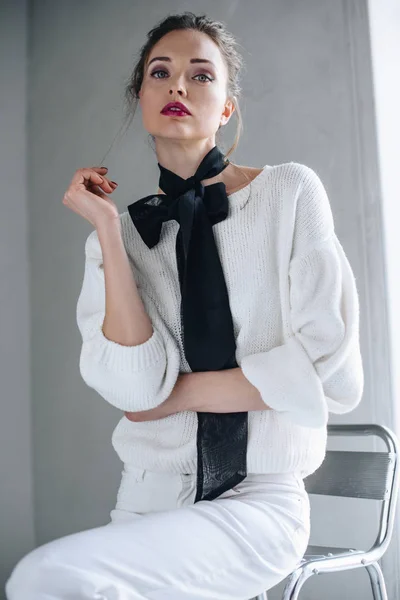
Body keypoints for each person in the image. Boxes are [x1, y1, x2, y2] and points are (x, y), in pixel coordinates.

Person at [5, 11, 364, 600]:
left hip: (259, 501)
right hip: (146, 496)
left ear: (226, 107)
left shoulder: (291, 193)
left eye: (201, 75)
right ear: (141, 98)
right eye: (160, 73)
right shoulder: (117, 237)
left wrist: (184, 393)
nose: (178, 85)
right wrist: (108, 234)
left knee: (46, 579)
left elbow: (326, 362)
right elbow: (137, 392)